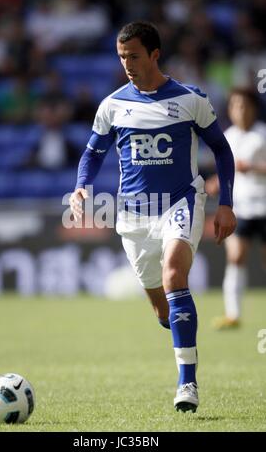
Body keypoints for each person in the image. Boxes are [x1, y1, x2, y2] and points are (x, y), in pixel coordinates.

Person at [69, 21, 236, 413]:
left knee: (174, 276)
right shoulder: (112, 105)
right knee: (163, 309)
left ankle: (187, 383)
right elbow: (93, 153)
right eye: (122, 56)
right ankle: (180, 329)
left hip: (181, 201)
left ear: (155, 54)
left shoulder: (190, 99)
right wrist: (81, 186)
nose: (127, 63)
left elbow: (222, 151)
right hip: (132, 216)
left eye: (134, 55)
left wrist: (226, 202)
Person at [206, 88, 266, 330]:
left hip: (264, 206)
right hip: (240, 208)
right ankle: (233, 314)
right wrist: (215, 182)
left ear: (254, 108)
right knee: (236, 257)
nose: (239, 110)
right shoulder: (227, 136)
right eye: (235, 106)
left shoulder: (262, 134)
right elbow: (227, 172)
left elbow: (245, 167)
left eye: (244, 105)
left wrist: (251, 167)